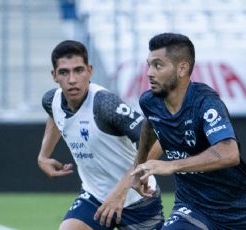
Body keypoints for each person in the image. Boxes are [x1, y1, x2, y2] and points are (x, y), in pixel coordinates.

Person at [131, 33, 246, 229]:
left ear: (182, 69)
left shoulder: (205, 103)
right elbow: (151, 125)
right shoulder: (149, 101)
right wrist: (139, 166)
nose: (149, 73)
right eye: (148, 65)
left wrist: (171, 166)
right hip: (192, 207)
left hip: (242, 212)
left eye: (158, 65)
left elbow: (229, 153)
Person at [37, 40, 164, 230]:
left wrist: (120, 191)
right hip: (94, 197)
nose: (72, 79)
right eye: (64, 72)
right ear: (54, 75)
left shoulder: (106, 105)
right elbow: (54, 114)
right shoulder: (51, 99)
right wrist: (43, 155)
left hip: (137, 199)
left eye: (78, 70)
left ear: (90, 71)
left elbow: (156, 144)